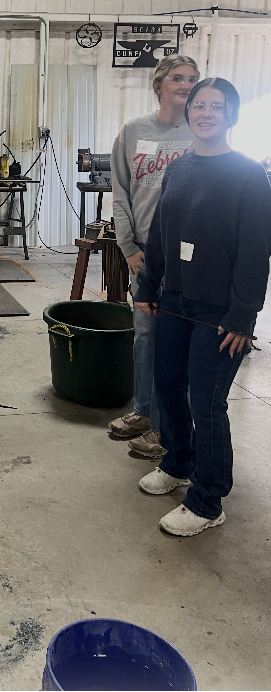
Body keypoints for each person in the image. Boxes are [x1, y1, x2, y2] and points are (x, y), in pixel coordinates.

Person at [135, 77, 271, 536]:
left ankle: (208, 500)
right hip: (175, 300)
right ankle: (179, 462)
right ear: (189, 112)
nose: (206, 113)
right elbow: (160, 233)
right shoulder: (179, 168)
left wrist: (244, 315)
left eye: (216, 106)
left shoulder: (249, 174)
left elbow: (256, 251)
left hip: (220, 311)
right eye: (199, 105)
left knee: (206, 404)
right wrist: (148, 284)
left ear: (231, 115)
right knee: (168, 387)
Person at [109, 55, 199, 458]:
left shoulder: (201, 132)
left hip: (186, 256)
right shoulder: (134, 131)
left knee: (173, 342)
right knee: (145, 336)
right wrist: (128, 247)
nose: (186, 85)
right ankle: (144, 412)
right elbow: (120, 193)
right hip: (145, 253)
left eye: (192, 79)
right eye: (178, 78)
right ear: (158, 85)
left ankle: (167, 430)